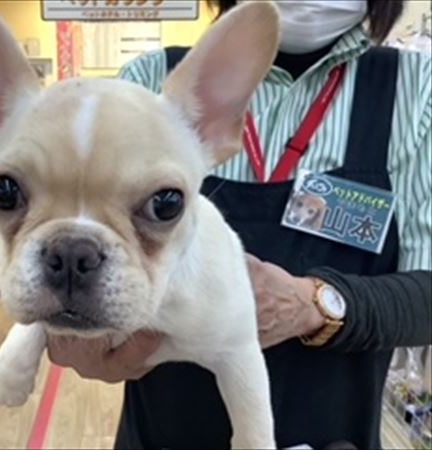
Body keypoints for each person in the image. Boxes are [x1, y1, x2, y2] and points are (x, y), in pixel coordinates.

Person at [48, 1, 432, 448]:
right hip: (160, 430)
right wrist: (76, 328)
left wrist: (315, 305)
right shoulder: (148, 82)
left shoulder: (416, 91)